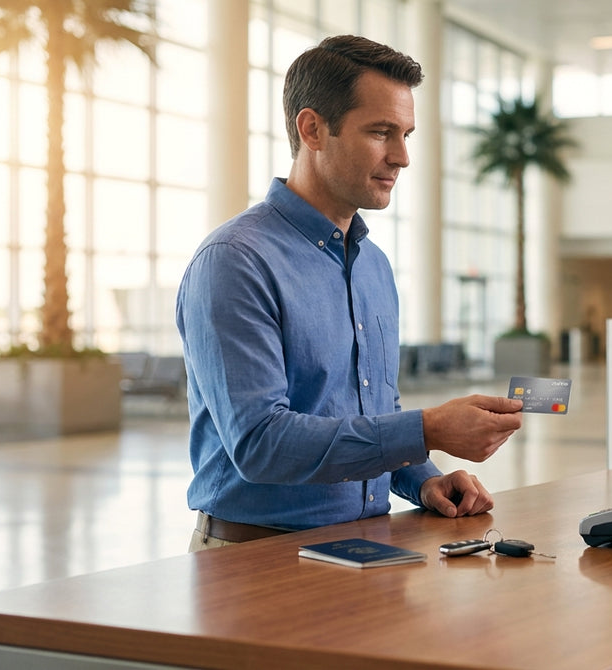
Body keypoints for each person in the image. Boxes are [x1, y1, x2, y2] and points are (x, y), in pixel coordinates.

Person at [177, 35, 523, 551]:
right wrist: (426, 429)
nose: (402, 157)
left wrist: (421, 479)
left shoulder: (374, 267)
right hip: (254, 560)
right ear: (312, 129)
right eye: (381, 132)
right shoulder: (235, 262)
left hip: (366, 548)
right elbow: (260, 444)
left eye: (405, 134)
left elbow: (371, 410)